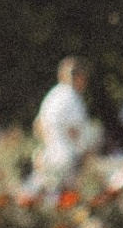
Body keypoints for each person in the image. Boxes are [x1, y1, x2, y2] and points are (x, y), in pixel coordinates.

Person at [34, 56, 94, 189]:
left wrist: (49, 144)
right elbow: (74, 131)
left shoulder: (53, 95)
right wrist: (87, 153)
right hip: (67, 160)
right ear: (79, 77)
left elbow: (38, 125)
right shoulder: (72, 97)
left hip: (48, 155)